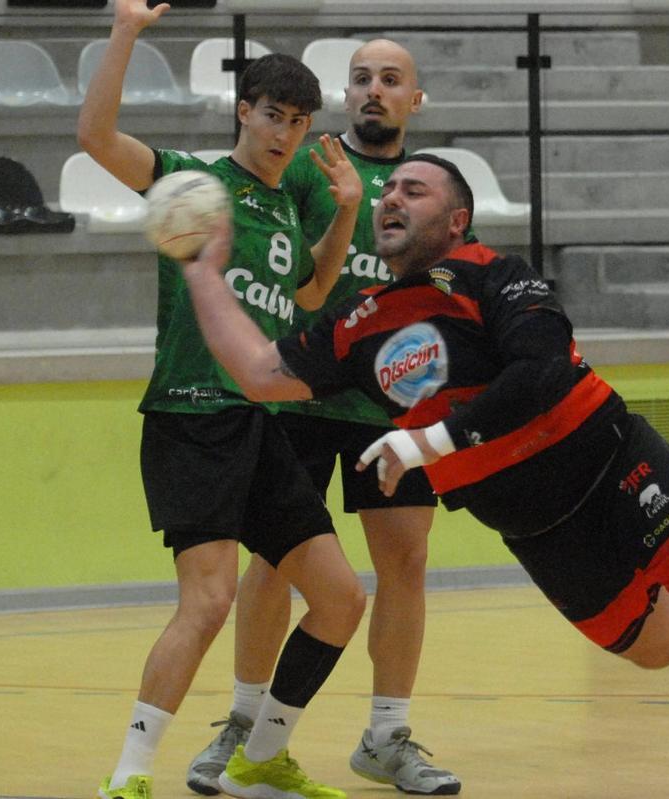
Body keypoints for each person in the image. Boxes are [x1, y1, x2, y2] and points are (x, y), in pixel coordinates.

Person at [179, 153, 669, 790]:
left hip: (617, 466)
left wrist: (427, 445)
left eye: (414, 191)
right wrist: (202, 272)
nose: (391, 198)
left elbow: (537, 374)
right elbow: (256, 370)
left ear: (456, 219)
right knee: (657, 646)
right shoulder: (358, 324)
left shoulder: (496, 274)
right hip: (540, 531)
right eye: (388, 191)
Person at [76, 1, 367, 797]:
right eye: (273, 115)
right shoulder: (194, 188)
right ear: (244, 111)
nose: (285, 133)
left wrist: (346, 208)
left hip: (260, 424)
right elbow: (95, 137)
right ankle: (130, 773)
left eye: (299, 122)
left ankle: (260, 756)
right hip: (191, 416)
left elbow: (313, 289)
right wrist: (124, 32)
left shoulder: (284, 207)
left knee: (341, 598)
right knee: (206, 602)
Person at [185, 39, 462, 797]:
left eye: (391, 80)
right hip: (302, 391)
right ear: (345, 94)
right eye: (362, 78)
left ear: (415, 99)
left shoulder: (430, 185)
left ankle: (387, 736)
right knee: (274, 559)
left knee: (405, 563)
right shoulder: (310, 165)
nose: (374, 90)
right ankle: (244, 724)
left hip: (391, 406)